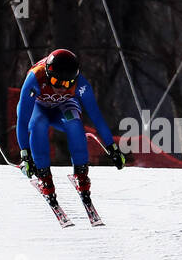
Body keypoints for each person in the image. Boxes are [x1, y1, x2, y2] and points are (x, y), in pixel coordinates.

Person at [15, 49, 126, 199]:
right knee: (39, 124)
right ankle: (44, 177)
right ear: (48, 75)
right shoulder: (35, 78)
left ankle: (81, 174)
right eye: (56, 82)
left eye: (67, 84)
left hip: (63, 107)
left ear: (74, 78)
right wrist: (25, 154)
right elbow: (22, 120)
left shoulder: (81, 84)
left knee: (74, 122)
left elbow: (97, 117)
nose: (61, 88)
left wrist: (112, 148)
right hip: (39, 107)